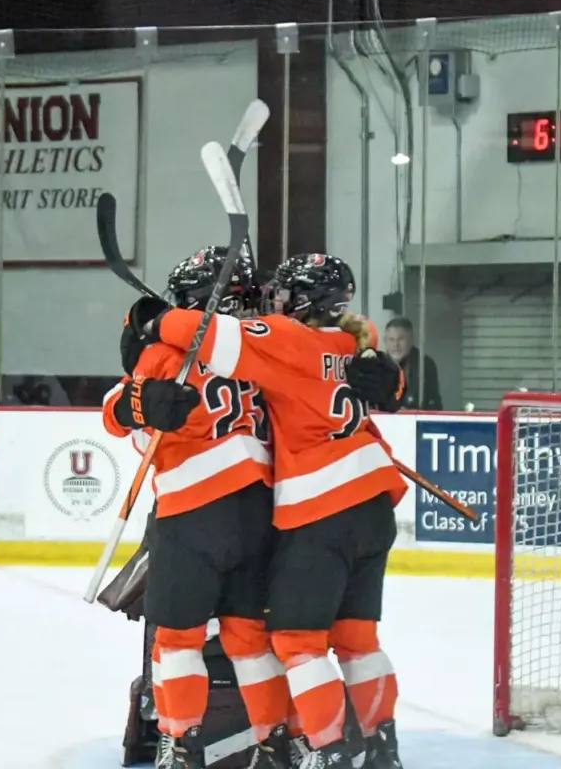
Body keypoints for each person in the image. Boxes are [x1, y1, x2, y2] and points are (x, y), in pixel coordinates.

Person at [126, 253, 409, 769]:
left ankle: (319, 752)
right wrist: (391, 374)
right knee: (334, 638)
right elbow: (362, 338)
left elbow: (199, 340)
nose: (272, 300)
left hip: (294, 506)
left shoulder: (278, 338)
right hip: (358, 500)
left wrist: (147, 322)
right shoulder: (349, 339)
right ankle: (368, 748)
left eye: (282, 293)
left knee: (273, 641)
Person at [101, 245, 292, 769]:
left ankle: (179, 745)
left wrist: (136, 401)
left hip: (191, 512)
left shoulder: (167, 351)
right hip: (260, 511)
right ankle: (274, 742)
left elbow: (117, 416)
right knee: (251, 637)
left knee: (178, 638)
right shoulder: (271, 348)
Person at [382, 316, 442, 410]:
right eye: (391, 340)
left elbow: (433, 403)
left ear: (411, 340)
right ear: (385, 341)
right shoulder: (379, 365)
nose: (396, 345)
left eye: (401, 339)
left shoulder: (424, 364)